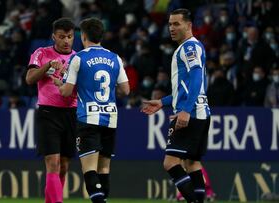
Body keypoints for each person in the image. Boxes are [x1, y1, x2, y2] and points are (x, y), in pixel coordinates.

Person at [54, 17, 130, 203]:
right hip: (110, 118)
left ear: (84, 36)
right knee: (104, 169)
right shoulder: (115, 58)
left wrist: (59, 82)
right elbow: (125, 90)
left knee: (89, 169)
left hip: (88, 118)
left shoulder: (78, 58)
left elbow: (66, 91)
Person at [141, 9, 210, 203]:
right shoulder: (191, 47)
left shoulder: (189, 48)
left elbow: (196, 76)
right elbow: (187, 87)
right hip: (201, 111)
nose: (171, 28)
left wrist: (186, 111)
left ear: (189, 26)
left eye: (177, 24)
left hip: (191, 112)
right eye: (170, 24)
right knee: (193, 163)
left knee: (170, 163)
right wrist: (162, 102)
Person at [25, 17, 77, 203]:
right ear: (53, 36)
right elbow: (30, 79)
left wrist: (65, 76)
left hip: (71, 114)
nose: (66, 41)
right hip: (48, 113)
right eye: (62, 36)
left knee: (63, 166)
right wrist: (48, 65)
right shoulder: (42, 53)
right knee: (52, 163)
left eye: (69, 37)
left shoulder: (77, 58)